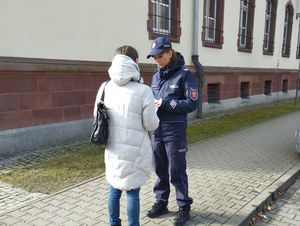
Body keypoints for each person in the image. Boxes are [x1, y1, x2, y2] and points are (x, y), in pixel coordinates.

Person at [93, 45, 159, 226]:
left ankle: (114, 223)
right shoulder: (144, 90)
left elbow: (96, 117)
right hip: (135, 149)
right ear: (135, 62)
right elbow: (151, 124)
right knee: (132, 191)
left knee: (114, 187)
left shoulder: (105, 87)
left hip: (113, 148)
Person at [146, 36, 199, 226]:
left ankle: (184, 207)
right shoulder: (155, 76)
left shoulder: (185, 75)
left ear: (170, 53)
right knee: (159, 169)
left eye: (160, 56)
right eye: (154, 57)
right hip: (156, 129)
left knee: (176, 170)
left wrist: (167, 103)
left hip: (175, 131)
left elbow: (192, 103)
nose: (157, 60)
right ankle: (161, 202)